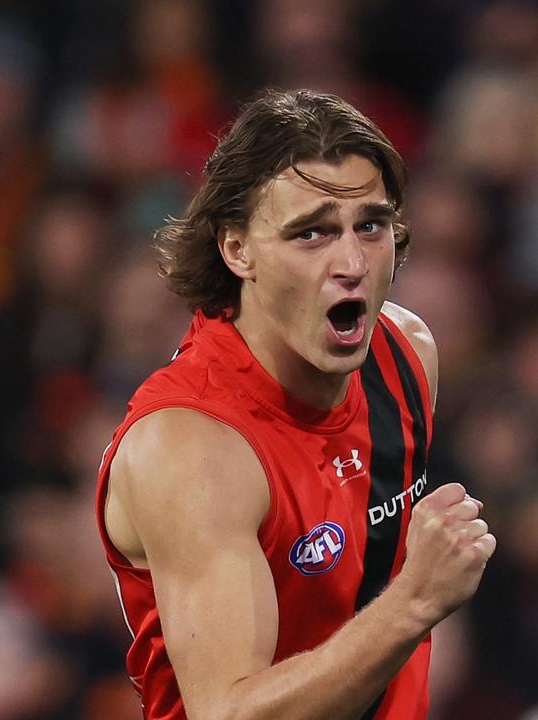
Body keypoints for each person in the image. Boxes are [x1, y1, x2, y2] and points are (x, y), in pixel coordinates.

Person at [92, 89, 496, 720]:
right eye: (311, 233)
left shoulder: (408, 355)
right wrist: (415, 600)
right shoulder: (192, 445)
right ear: (237, 249)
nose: (353, 263)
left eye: (371, 225)